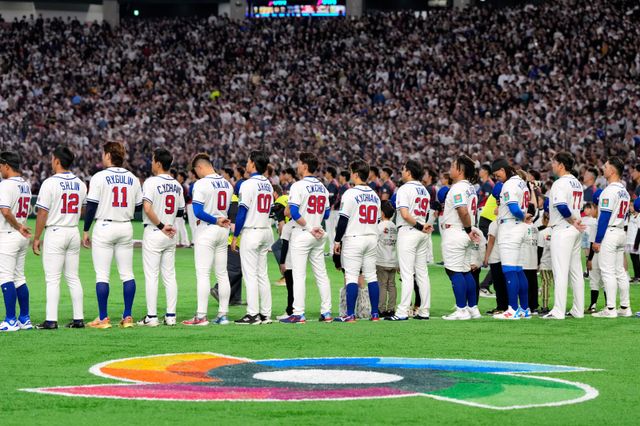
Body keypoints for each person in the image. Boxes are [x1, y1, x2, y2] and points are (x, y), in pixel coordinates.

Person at [83, 142, 142, 329]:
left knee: (102, 275)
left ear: (108, 155)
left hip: (105, 226)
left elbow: (91, 206)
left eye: (103, 153)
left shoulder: (99, 177)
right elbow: (138, 207)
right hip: (125, 226)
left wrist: (86, 230)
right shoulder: (132, 178)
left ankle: (103, 318)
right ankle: (128, 316)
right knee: (127, 273)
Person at [33, 146, 87, 329]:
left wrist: (37, 237)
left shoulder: (50, 183)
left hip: (55, 231)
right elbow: (83, 210)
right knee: (73, 277)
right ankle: (79, 319)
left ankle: (51, 320)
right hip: (73, 230)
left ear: (57, 161)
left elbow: (42, 213)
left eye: (52, 159)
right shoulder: (80, 183)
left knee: (53, 279)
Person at [280, 152, 332, 324]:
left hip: (303, 233)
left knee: (299, 275)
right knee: (321, 274)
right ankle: (326, 312)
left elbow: (293, 212)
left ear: (305, 166)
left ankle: (299, 313)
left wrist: (309, 227)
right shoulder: (323, 187)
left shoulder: (298, 185)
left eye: (299, 163)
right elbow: (326, 214)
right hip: (319, 234)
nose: (297, 165)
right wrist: (315, 224)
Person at [182, 154, 233, 326]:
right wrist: (219, 220)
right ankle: (223, 315)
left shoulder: (201, 184)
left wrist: (214, 220)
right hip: (223, 230)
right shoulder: (227, 183)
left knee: (203, 273)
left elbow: (197, 211)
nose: (196, 174)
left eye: (196, 171)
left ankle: (201, 316)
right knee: (222, 273)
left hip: (208, 229)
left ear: (200, 167)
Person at [137, 149, 185, 327]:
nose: (151, 163)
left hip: (155, 230)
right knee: (170, 276)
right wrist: (168, 225)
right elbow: (179, 212)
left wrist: (160, 225)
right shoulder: (177, 185)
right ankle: (171, 316)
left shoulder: (151, 182)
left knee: (152, 276)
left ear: (158, 163)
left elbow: (147, 208)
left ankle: (152, 317)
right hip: (170, 232)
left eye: (152, 160)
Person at [332, 159, 381, 322]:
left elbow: (343, 220)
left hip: (354, 238)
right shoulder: (375, 195)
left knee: (352, 276)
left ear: (356, 174)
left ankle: (350, 314)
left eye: (352, 172)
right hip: (372, 237)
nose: (351, 175)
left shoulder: (350, 193)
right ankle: (375, 314)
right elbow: (378, 220)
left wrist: (337, 241)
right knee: (371, 276)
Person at [232, 151, 274, 325]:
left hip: (252, 231)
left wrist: (235, 235)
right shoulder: (268, 184)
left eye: (249, 161)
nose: (247, 164)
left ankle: (252, 314)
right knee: (262, 274)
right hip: (266, 230)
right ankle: (265, 314)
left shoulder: (248, 184)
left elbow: (242, 213)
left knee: (250, 275)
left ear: (254, 164)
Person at [386, 160, 432, 321]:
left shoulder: (404, 188)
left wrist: (418, 226)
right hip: (422, 233)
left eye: (404, 169)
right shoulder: (425, 190)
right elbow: (425, 214)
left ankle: (402, 311)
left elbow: (405, 215)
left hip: (409, 230)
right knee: (422, 273)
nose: (402, 171)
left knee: (407, 274)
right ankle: (424, 310)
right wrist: (421, 226)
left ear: (409, 172)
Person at [543, 152, 586, 320]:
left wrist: (572, 220)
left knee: (560, 271)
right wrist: (575, 222)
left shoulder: (560, 183)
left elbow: (561, 205)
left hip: (564, 228)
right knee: (576, 271)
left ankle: (558, 311)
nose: (552, 166)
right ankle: (578, 310)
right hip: (575, 230)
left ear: (561, 165)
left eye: (554, 163)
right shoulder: (577, 183)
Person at [440, 155, 482, 320]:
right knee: (465, 271)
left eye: (452, 166)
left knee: (454, 271)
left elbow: (462, 211)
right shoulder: (471, 188)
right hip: (465, 232)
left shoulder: (458, 188)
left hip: (457, 231)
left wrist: (468, 229)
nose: (450, 169)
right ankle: (472, 308)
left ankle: (461, 309)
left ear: (460, 170)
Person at [592, 157, 632, 318]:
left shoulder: (609, 191)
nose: (603, 167)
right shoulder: (624, 191)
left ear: (613, 170)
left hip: (610, 232)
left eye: (606, 166)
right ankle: (625, 307)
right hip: (621, 231)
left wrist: (598, 240)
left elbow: (604, 217)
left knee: (607, 272)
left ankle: (610, 309)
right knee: (620, 272)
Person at [491, 158, 530, 320]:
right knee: (518, 270)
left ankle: (512, 309)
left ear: (502, 169)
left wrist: (522, 216)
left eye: (497, 174)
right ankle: (524, 309)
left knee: (509, 271)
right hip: (519, 228)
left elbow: (514, 208)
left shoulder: (509, 184)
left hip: (510, 227)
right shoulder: (521, 182)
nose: (496, 178)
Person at [0, 152, 32, 332]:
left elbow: (5, 211)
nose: (0, 170)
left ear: (6, 166)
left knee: (6, 277)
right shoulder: (25, 184)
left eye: (0, 166)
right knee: (19, 277)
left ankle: (10, 320)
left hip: (9, 233)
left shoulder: (5, 184)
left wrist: (18, 226)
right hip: (21, 236)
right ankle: (25, 319)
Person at [376, 200, 397, 317]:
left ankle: (381, 309)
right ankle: (391, 309)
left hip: (382, 260)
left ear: (382, 213)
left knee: (382, 285)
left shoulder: (379, 226)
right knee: (392, 285)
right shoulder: (394, 226)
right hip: (393, 259)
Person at [276, 209, 295, 320]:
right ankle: (297, 309)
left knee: (290, 287)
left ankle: (290, 311)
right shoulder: (301, 225)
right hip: (299, 261)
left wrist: (282, 262)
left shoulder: (288, 226)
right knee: (296, 287)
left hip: (289, 261)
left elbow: (284, 246)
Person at [537, 212, 554, 314]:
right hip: (557, 264)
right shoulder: (558, 232)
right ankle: (559, 305)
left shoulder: (542, 233)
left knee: (545, 284)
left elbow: (539, 250)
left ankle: (545, 306)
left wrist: (537, 263)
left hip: (545, 263)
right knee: (558, 285)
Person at [173, 170, 191, 248]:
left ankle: (184, 242)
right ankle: (183, 241)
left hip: (181, 208)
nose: (178, 177)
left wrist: (184, 207)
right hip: (180, 207)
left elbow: (186, 198)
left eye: (179, 176)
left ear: (182, 177)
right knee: (179, 225)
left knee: (180, 225)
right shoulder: (181, 185)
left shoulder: (183, 186)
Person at [324, 167, 340, 253]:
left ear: (330, 173)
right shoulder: (333, 183)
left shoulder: (333, 184)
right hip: (334, 210)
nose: (325, 174)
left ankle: (332, 250)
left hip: (332, 210)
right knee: (331, 230)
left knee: (331, 230)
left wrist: (329, 207)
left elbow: (331, 198)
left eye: (326, 172)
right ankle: (333, 249)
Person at [625, 199, 640, 283]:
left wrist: (636, 243)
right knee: (633, 258)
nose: (630, 207)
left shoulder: (639, 216)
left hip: (635, 241)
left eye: (632, 206)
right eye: (629, 206)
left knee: (636, 259)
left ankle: (638, 276)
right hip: (629, 240)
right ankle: (636, 275)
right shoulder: (629, 216)